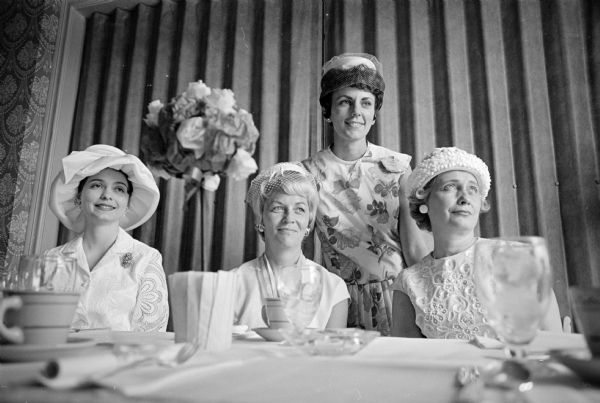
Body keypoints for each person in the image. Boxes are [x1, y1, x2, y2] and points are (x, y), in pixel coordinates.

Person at [302, 53, 429, 335]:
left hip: (398, 297)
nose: (356, 112)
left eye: (366, 103)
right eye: (345, 102)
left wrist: (431, 302)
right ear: (329, 111)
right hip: (337, 302)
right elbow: (306, 256)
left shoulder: (397, 169)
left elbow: (414, 248)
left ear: (374, 114)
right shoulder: (308, 174)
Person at [391, 147, 562, 339]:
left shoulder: (516, 258)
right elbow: (409, 360)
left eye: (472, 189)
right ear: (424, 202)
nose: (465, 198)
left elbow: (553, 340)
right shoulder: (408, 282)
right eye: (449, 187)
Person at [46, 144, 168, 331]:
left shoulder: (146, 259)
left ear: (128, 204)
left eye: (119, 189)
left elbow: (150, 337)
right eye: (96, 185)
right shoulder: (50, 260)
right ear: (79, 197)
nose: (107, 195)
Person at [233, 162, 349, 329]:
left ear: (308, 222)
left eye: (300, 209)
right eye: (278, 208)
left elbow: (331, 354)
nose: (289, 218)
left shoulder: (333, 287)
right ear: (261, 219)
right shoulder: (233, 283)